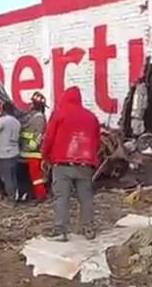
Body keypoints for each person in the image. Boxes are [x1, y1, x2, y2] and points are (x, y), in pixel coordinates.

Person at [41, 87, 100, 241]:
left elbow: (49, 138)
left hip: (62, 164)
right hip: (85, 164)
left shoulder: (59, 114)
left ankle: (60, 230)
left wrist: (45, 157)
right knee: (85, 197)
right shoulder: (91, 117)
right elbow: (96, 141)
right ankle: (89, 229)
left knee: (62, 197)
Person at [19, 92, 48, 201]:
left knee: (36, 177)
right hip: (26, 151)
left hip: (33, 152)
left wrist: (33, 146)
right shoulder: (31, 116)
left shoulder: (39, 117)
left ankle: (41, 195)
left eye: (32, 103)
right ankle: (33, 194)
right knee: (30, 177)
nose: (30, 105)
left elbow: (38, 135)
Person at [0, 101, 22, 201]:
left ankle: (11, 197)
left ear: (3, 110)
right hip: (14, 152)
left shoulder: (2, 121)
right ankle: (16, 194)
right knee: (13, 176)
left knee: (6, 178)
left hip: (3, 153)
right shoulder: (16, 122)